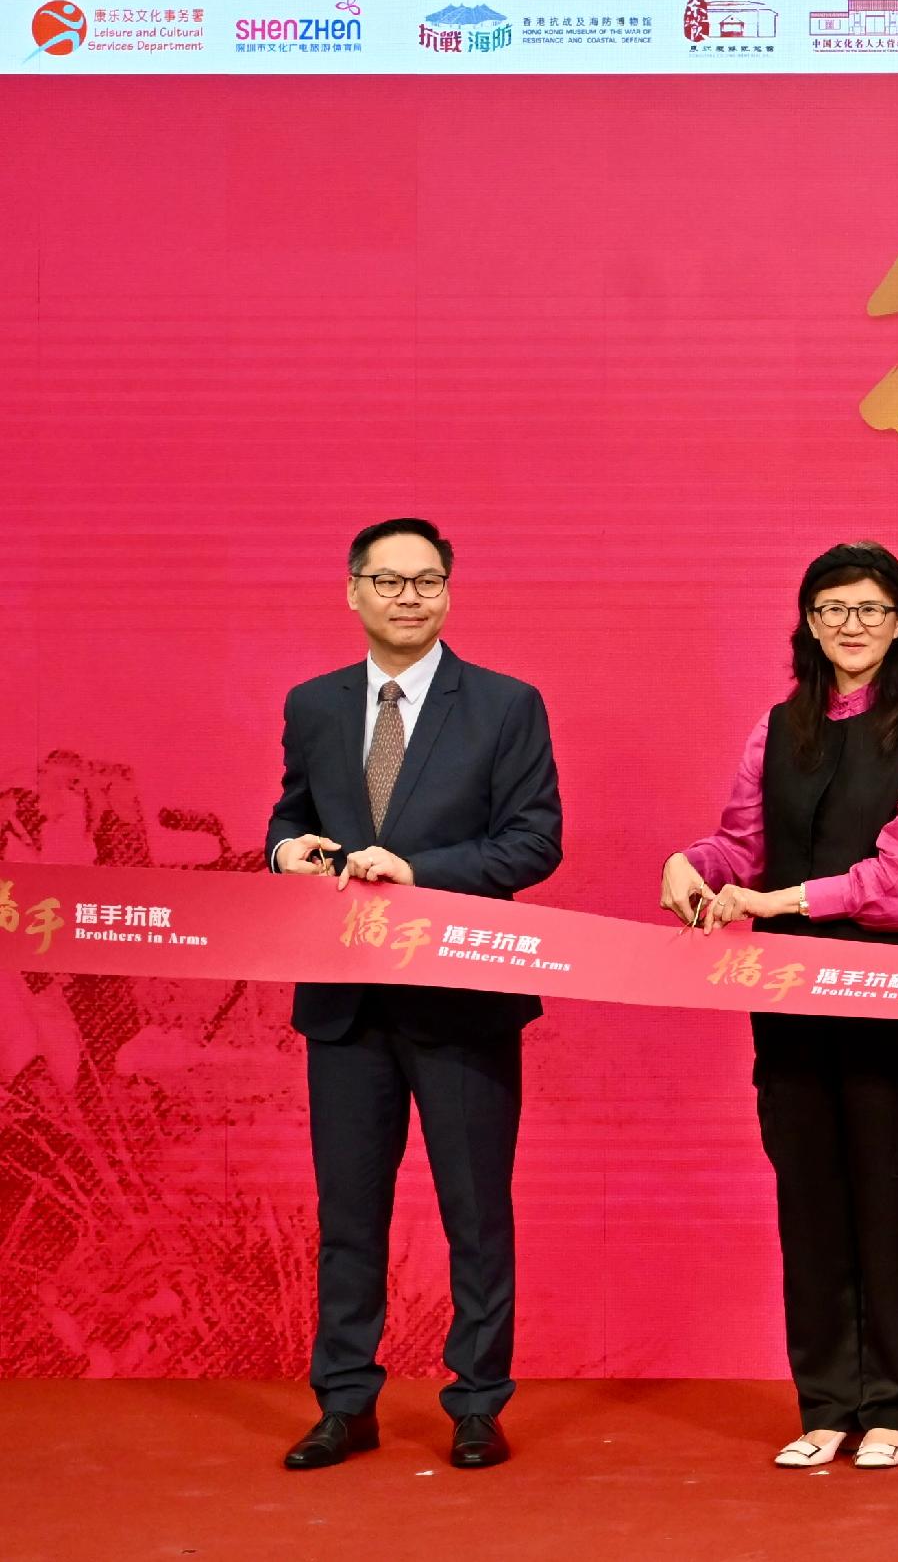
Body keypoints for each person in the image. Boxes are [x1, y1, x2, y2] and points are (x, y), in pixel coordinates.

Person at [660, 543, 898, 1471]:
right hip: (790, 999)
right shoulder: (777, 728)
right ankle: (827, 1403)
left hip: (893, 994)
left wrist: (781, 903)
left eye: (871, 609)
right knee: (808, 1196)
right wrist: (698, 864)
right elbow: (742, 841)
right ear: (806, 620)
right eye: (831, 607)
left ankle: (896, 1405)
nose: (850, 623)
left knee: (889, 1194)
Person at [268, 517, 563, 1471]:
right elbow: (289, 813)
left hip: (461, 998)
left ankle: (477, 1400)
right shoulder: (313, 705)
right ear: (352, 590)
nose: (408, 597)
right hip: (346, 1001)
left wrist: (418, 869)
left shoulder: (506, 705)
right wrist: (285, 850)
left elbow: (534, 842)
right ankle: (345, 1399)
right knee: (347, 1212)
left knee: (475, 1211)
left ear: (449, 591)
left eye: (427, 581)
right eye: (388, 581)